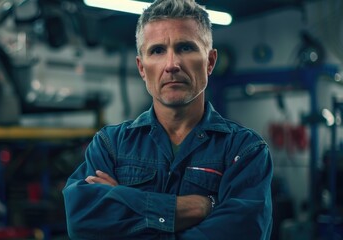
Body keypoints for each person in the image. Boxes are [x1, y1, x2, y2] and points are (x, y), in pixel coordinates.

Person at [62, 0, 273, 239]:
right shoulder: (110, 145)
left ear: (210, 62)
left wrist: (124, 199)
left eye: (186, 47)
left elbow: (243, 232)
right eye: (157, 50)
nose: (172, 64)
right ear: (142, 68)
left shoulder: (244, 151)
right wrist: (196, 207)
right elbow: (83, 223)